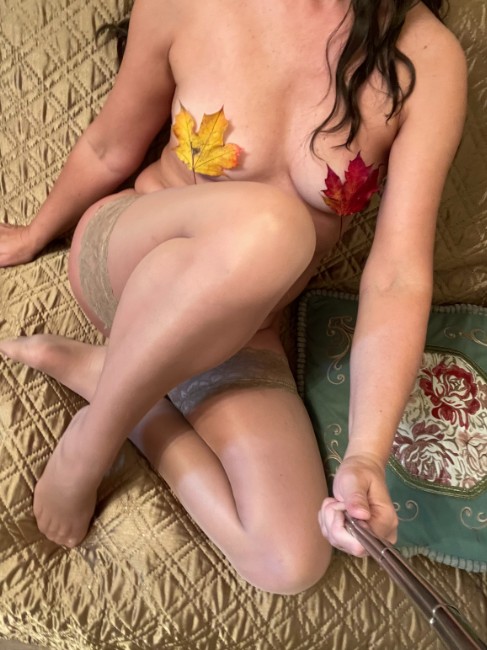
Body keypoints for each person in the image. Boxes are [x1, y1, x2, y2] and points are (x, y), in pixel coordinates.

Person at [0, 0, 466, 595]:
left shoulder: (425, 58)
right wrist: (36, 232)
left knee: (289, 560)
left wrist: (365, 456)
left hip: (243, 329)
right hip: (129, 259)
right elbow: (109, 147)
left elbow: (397, 275)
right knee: (275, 227)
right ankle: (91, 443)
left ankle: (116, 387)